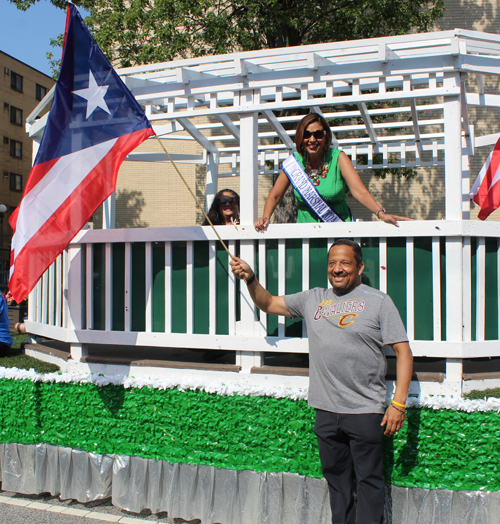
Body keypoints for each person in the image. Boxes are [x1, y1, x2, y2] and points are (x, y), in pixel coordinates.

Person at [230, 239, 413, 524]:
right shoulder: (312, 299)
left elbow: (403, 352)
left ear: (360, 267)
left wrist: (398, 404)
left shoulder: (378, 301)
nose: (337, 269)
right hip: (326, 411)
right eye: (332, 264)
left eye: (345, 263)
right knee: (337, 483)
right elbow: (267, 303)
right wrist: (250, 278)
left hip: (366, 412)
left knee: (370, 482)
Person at [255, 113, 410, 231]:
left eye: (318, 134)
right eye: (307, 134)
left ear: (326, 136)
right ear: (300, 138)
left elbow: (359, 192)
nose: (312, 139)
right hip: (306, 233)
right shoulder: (294, 162)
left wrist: (380, 213)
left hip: (338, 231)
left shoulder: (338, 158)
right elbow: (275, 196)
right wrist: (265, 217)